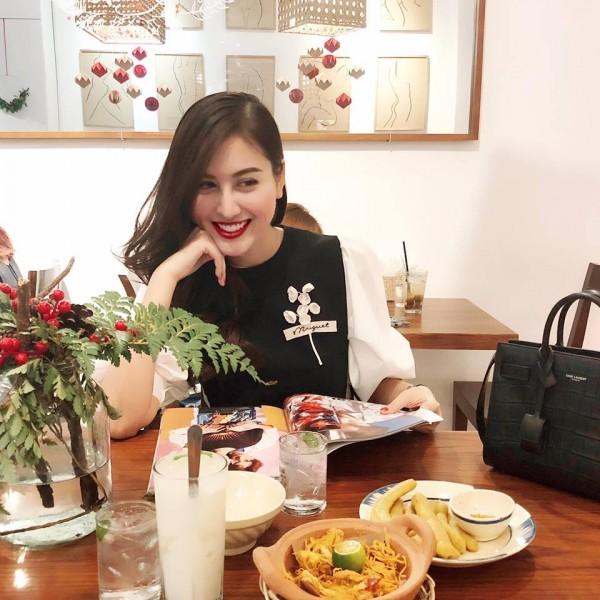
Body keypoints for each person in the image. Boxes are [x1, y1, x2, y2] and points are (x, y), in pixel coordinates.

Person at [99, 92, 440, 439]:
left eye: (247, 182)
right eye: (206, 185)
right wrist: (164, 276)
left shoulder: (342, 259)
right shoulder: (181, 283)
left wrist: (409, 396)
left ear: (279, 178)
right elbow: (120, 419)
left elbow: (377, 383)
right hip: (232, 469)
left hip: (330, 468)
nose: (227, 208)